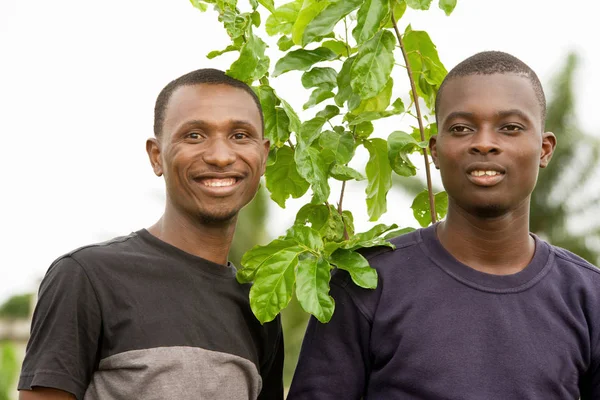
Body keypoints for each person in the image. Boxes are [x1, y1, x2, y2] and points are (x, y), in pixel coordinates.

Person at [287, 51, 600, 399]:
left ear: (544, 149)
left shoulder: (589, 298)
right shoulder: (365, 283)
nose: (484, 142)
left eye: (509, 128)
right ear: (435, 150)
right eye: (462, 128)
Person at [18, 69, 284, 400]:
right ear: (156, 155)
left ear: (263, 157)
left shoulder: (259, 305)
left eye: (240, 136)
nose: (220, 156)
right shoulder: (87, 278)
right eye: (194, 136)